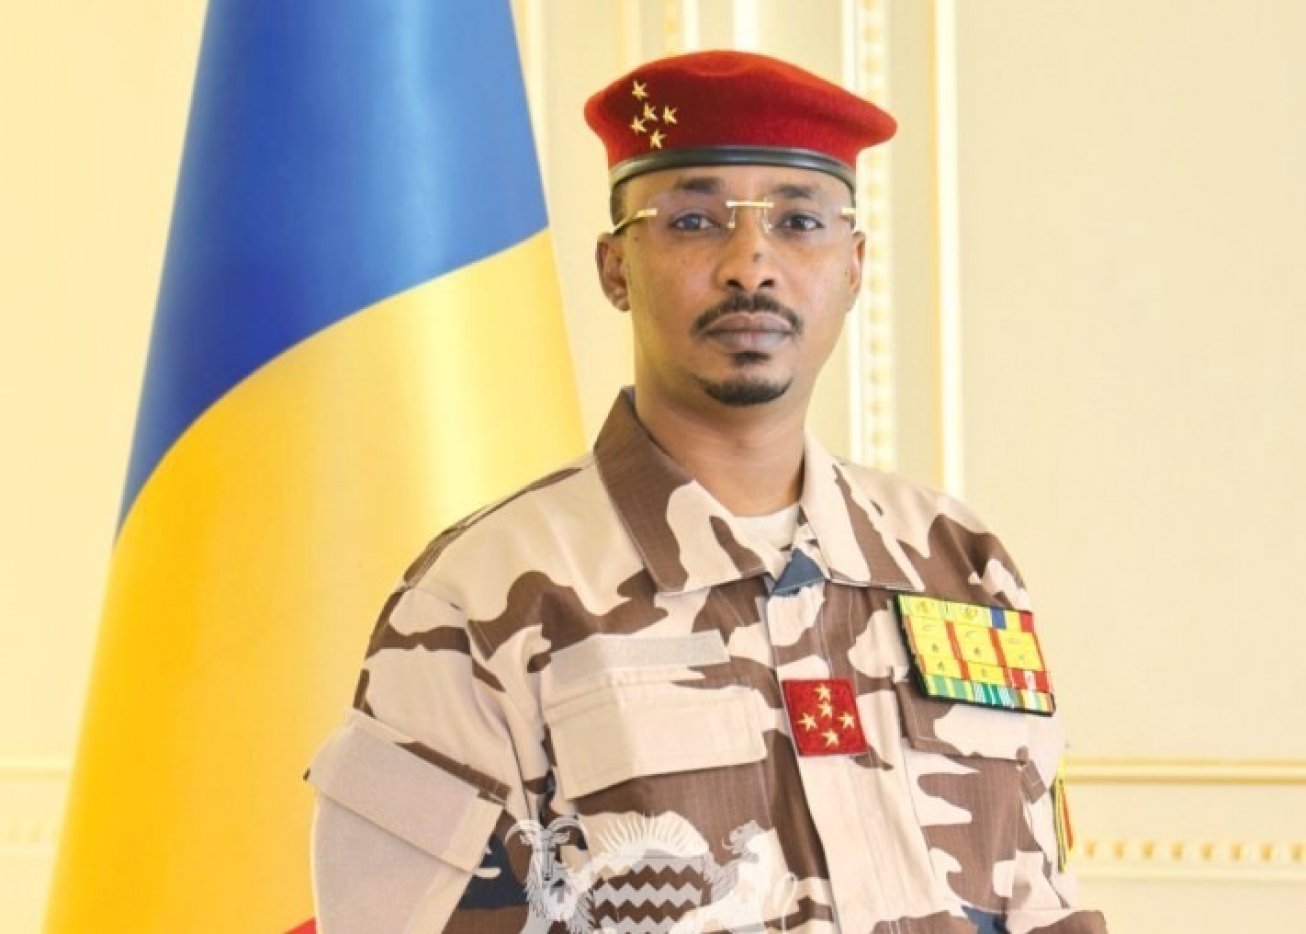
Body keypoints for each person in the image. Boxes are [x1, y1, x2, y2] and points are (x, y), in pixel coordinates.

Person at [307, 50, 1108, 933]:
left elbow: (1045, 900)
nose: (750, 265)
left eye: (798, 222)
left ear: (853, 266)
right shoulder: (485, 598)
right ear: (616, 267)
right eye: (693, 220)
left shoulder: (955, 561)